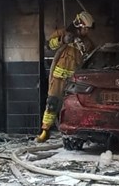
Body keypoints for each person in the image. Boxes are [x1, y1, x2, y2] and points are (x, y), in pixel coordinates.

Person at [36, 10, 96, 143]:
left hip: (75, 81)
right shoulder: (63, 34)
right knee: (52, 103)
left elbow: (91, 60)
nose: (87, 31)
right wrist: (62, 40)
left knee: (74, 105)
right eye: (86, 28)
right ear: (79, 25)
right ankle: (45, 131)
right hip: (58, 79)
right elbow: (48, 46)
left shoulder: (88, 43)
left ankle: (72, 131)